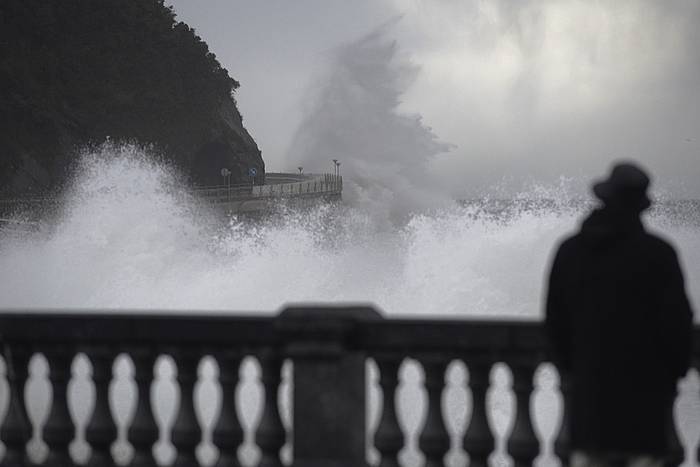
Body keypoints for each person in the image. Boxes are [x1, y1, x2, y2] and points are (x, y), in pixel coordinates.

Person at [545, 162, 693, 467]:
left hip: (590, 400)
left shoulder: (570, 251)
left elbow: (555, 324)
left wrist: (573, 369)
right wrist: (672, 374)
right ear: (640, 206)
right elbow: (677, 326)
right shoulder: (659, 254)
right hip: (645, 402)